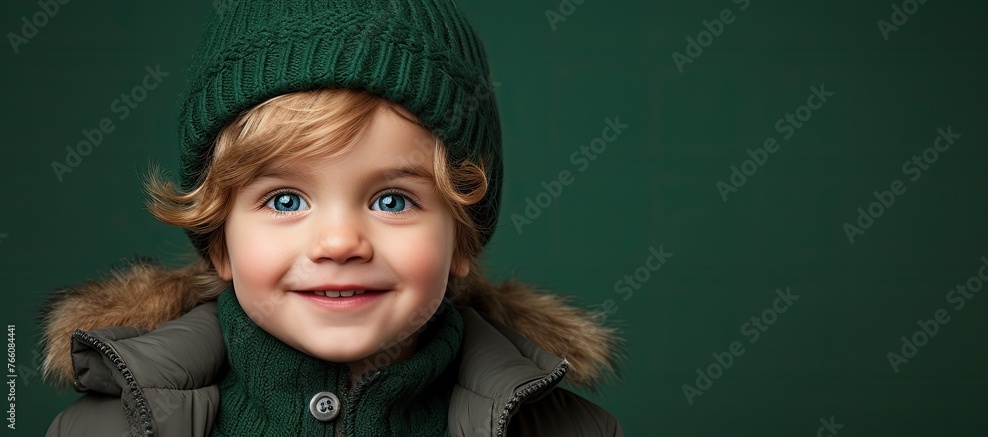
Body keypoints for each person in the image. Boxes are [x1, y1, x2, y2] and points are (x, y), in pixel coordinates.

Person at [40, 1, 624, 435]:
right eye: (286, 201)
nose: (340, 242)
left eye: (393, 200)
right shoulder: (103, 427)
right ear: (219, 240)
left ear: (462, 238)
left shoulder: (569, 429)